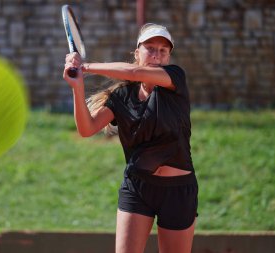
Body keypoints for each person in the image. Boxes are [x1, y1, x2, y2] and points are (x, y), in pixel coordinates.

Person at [63, 23, 198, 253]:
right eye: (150, 48)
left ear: (168, 57)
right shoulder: (122, 96)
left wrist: (85, 66)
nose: (156, 54)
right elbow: (86, 129)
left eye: (163, 50)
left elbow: (134, 72)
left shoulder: (176, 78)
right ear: (137, 53)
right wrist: (77, 87)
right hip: (137, 187)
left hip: (178, 190)